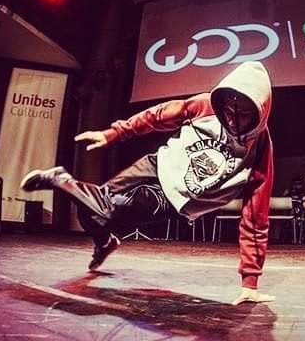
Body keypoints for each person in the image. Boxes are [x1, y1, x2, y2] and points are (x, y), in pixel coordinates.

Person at [21, 61, 275, 305]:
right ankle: (105, 242)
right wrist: (115, 133)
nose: (232, 121)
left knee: (106, 207)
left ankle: (61, 180)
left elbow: (255, 215)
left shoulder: (260, 149)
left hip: (175, 198)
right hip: (156, 165)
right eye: (228, 112)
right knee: (91, 207)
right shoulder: (204, 105)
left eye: (243, 115)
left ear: (260, 112)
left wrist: (250, 282)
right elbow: (158, 115)